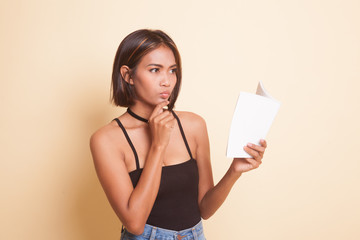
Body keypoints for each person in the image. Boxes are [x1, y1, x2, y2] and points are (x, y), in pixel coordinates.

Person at [90, 29, 267, 240]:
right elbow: (135, 224)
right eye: (155, 70)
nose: (167, 81)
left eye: (172, 70)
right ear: (128, 75)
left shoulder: (193, 125)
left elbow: (205, 209)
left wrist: (234, 171)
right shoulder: (107, 140)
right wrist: (158, 145)